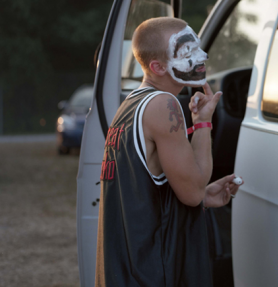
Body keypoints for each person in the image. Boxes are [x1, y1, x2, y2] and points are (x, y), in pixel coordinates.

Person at [95, 17, 241, 286]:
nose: (202, 56)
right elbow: (192, 194)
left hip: (127, 270)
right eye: (188, 52)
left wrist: (204, 198)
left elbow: (145, 190)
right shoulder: (164, 105)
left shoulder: (130, 103)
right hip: (151, 273)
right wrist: (202, 123)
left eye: (198, 47)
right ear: (157, 66)